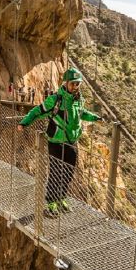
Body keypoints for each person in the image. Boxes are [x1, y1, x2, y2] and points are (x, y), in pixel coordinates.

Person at [17, 67, 103, 217]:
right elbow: (37, 111)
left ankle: (61, 198)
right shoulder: (55, 99)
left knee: (68, 173)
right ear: (66, 83)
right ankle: (51, 203)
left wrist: (94, 117)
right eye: (73, 84)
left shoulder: (78, 100)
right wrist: (24, 123)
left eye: (78, 84)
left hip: (71, 142)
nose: (75, 87)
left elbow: (82, 114)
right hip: (56, 142)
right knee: (56, 173)